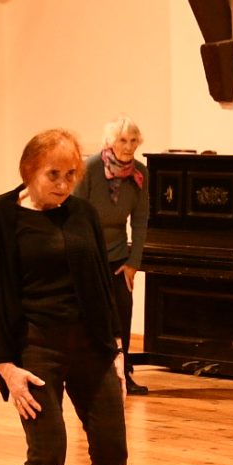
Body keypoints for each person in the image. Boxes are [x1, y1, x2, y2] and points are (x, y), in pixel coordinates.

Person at [0, 129, 133, 465]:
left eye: (70, 175)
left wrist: (117, 352)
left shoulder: (82, 213)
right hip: (35, 350)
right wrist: (6, 365)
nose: (63, 184)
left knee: (113, 452)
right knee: (48, 455)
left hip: (92, 348)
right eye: (53, 175)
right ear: (29, 171)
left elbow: (102, 286)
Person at [77, 117, 151, 394]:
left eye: (133, 141)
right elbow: (75, 214)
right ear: (110, 142)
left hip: (119, 256)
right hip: (89, 253)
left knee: (122, 314)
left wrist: (133, 263)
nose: (128, 146)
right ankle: (93, 376)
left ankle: (124, 374)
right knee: (93, 317)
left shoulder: (140, 173)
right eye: (122, 140)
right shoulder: (90, 168)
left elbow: (140, 220)